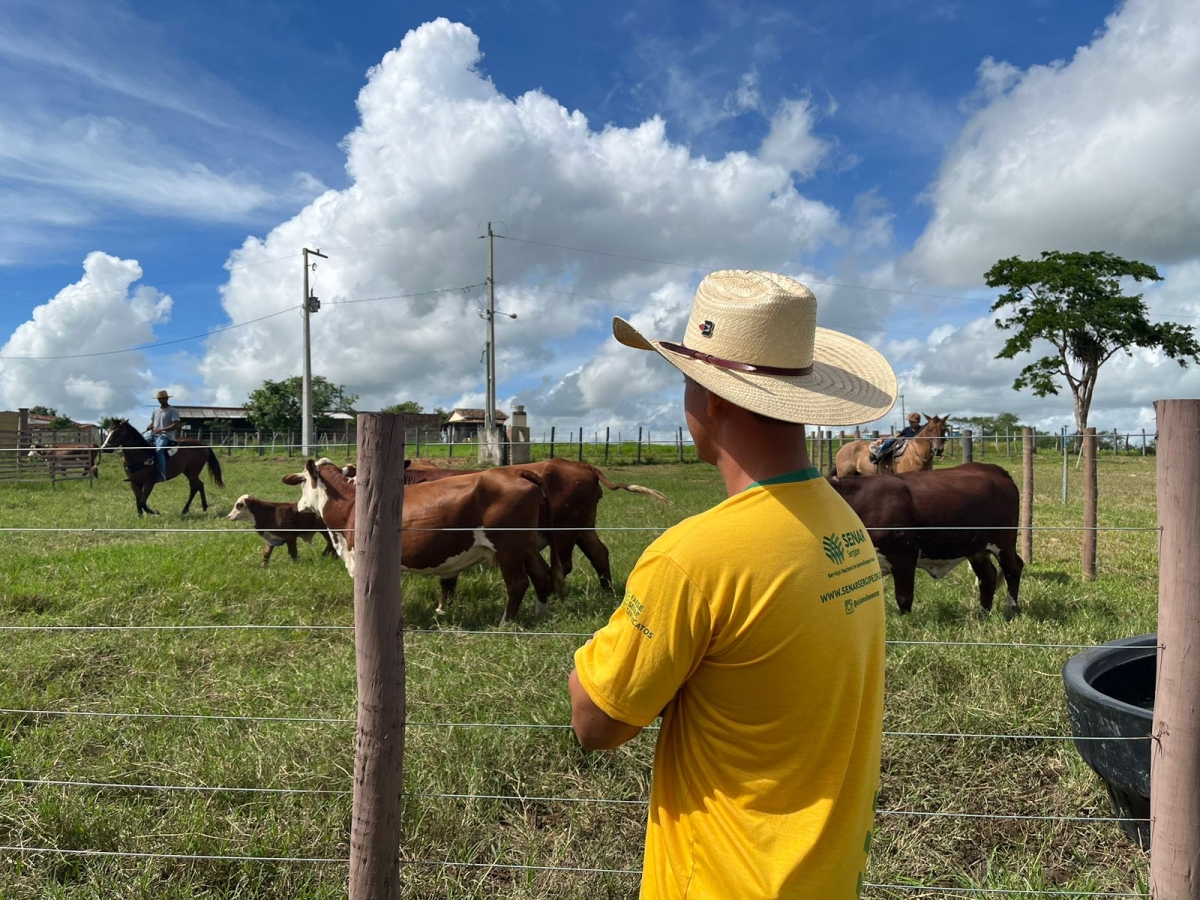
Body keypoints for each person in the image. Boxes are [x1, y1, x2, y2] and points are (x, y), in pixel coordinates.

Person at [568, 270, 897, 900]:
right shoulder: (841, 520)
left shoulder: (692, 557)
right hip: (823, 876)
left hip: (722, 880)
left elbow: (596, 724)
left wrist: (586, 665)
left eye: (687, 381)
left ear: (714, 399)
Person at [146, 389, 181, 482]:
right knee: (140, 442)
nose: (160, 400)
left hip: (166, 436)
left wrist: (161, 429)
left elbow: (176, 425)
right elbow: (153, 422)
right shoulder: (155, 411)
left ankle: (162, 474)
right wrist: (150, 426)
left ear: (167, 398)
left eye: (162, 398)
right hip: (154, 434)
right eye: (159, 399)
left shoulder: (172, 411)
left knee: (159, 450)